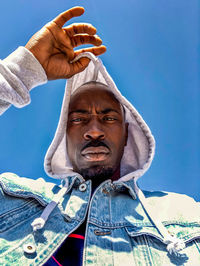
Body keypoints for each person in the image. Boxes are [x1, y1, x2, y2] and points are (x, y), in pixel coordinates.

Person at [0, 6, 200, 266]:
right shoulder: (10, 198)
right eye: (79, 119)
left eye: (108, 118)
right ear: (64, 135)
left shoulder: (186, 214)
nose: (94, 131)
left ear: (128, 134)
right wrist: (21, 71)